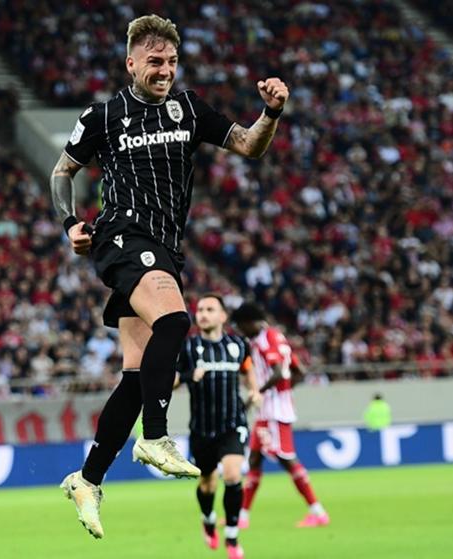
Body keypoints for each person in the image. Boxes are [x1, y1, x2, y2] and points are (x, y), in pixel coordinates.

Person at [53, 14, 289, 539]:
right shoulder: (103, 116)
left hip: (163, 250)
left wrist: (271, 112)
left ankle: (88, 479)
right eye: (155, 61)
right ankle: (155, 437)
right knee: (177, 320)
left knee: (137, 377)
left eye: (172, 62)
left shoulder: (189, 109)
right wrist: (70, 223)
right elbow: (62, 172)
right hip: (121, 237)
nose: (164, 70)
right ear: (131, 63)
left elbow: (249, 144)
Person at [175, 294, 260, 559]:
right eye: (200, 309)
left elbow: (247, 369)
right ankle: (208, 519)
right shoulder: (188, 347)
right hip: (201, 428)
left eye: (210, 309)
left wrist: (254, 390)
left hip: (232, 423)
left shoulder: (238, 344)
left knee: (233, 475)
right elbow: (170, 381)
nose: (202, 314)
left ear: (223, 316)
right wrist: (189, 376)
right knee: (207, 484)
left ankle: (232, 537)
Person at [230, 303, 329, 529]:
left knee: (286, 459)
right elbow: (299, 372)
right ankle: (241, 516)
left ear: (250, 322)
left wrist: (259, 393)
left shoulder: (267, 339)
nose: (240, 331)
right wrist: (283, 393)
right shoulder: (275, 337)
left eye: (241, 326)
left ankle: (318, 512)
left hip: (273, 412)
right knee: (255, 460)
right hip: (268, 410)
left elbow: (278, 372)